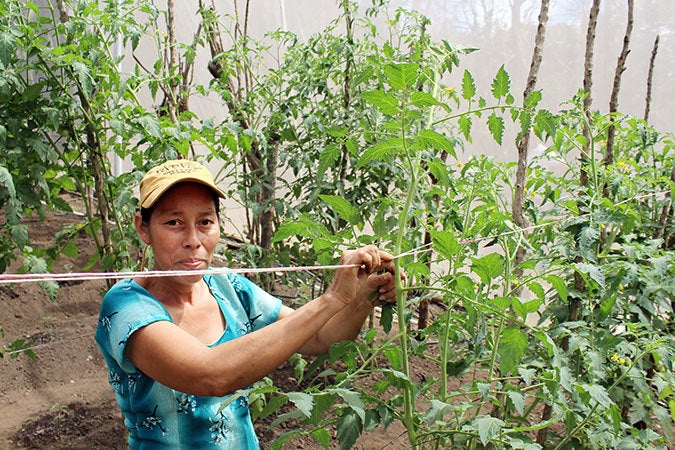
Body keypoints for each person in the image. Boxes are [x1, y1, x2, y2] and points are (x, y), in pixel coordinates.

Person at [95, 159, 399, 449]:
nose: (192, 239)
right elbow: (211, 375)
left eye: (205, 222)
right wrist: (332, 298)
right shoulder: (127, 307)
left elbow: (321, 337)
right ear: (143, 228)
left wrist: (363, 296)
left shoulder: (229, 287)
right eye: (174, 222)